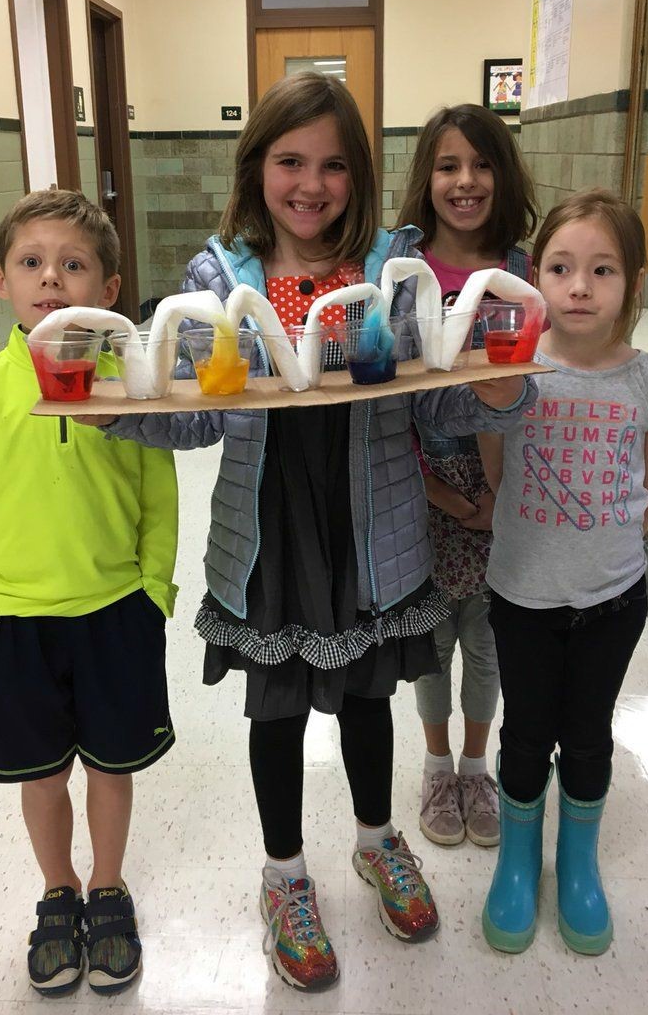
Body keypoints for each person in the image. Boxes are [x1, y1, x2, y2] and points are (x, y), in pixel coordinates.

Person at [79, 72, 536, 992]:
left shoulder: (387, 266)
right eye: (291, 161)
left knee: (369, 698)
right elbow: (200, 414)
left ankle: (376, 840)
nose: (311, 184)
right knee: (276, 710)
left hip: (375, 528)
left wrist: (498, 391)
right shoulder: (221, 276)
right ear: (258, 169)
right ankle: (284, 876)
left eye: (333, 165)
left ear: (358, 176)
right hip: (272, 534)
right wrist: (117, 414)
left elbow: (432, 402)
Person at [0, 190, 179, 997]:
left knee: (112, 765)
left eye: (73, 265)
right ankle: (57, 890)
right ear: (1, 280)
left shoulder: (122, 384)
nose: (50, 279)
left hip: (115, 616)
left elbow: (159, 498)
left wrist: (154, 596)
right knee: (41, 775)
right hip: (14, 628)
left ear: (107, 289)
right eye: (32, 263)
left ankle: (108, 886)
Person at [478, 188, 648, 956]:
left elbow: (646, 501)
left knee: (588, 734)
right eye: (561, 267)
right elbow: (497, 472)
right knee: (525, 731)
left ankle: (577, 864)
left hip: (612, 603)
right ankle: (517, 862)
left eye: (602, 270)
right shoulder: (512, 376)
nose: (579, 286)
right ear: (533, 277)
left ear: (633, 285)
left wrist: (594, 547)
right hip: (521, 597)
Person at [398, 104, 537, 850]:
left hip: (502, 489)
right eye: (449, 165)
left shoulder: (521, 271)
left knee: (485, 637)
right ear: (428, 177)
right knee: (431, 639)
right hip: (418, 484)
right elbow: (389, 396)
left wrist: (493, 498)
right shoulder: (401, 266)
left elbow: (529, 391)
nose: (465, 181)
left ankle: (476, 766)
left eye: (481, 165)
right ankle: (434, 764)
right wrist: (442, 493)